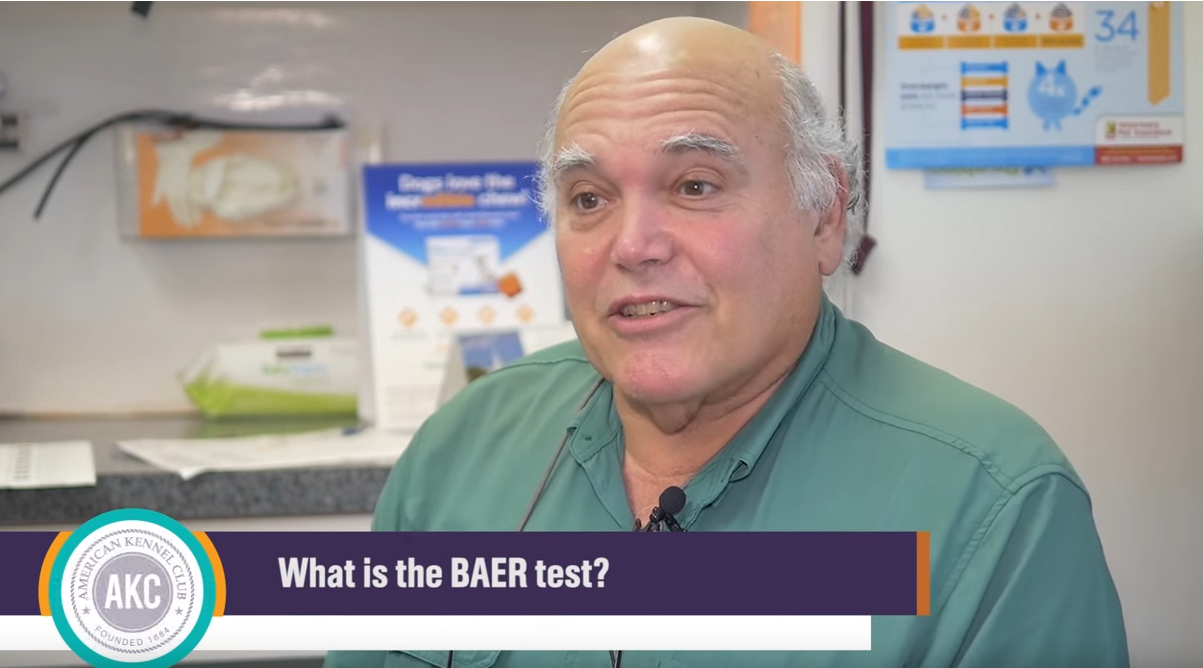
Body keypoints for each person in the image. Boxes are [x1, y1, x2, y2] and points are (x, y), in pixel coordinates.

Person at [324, 16, 1128, 668]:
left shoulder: (992, 505)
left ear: (824, 215)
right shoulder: (458, 451)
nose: (632, 245)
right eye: (589, 198)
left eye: (694, 185)